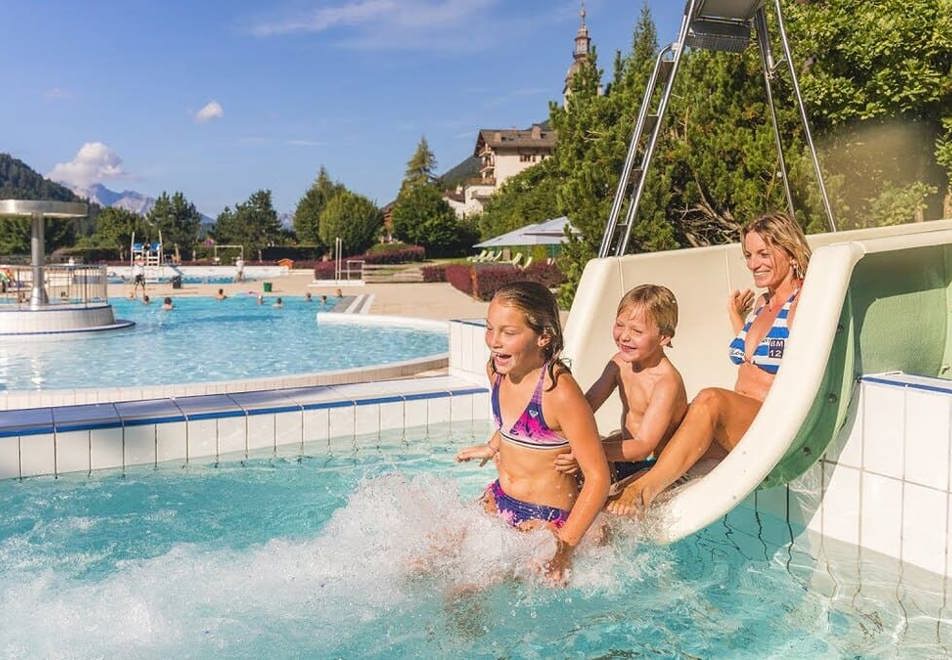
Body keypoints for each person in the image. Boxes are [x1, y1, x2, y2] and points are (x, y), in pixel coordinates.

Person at [609, 211, 810, 515]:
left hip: (769, 423)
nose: (753, 264)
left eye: (763, 254)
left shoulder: (804, 302)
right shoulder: (762, 304)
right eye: (748, 255)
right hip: (736, 424)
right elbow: (756, 356)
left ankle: (645, 490)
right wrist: (736, 317)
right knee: (666, 435)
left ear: (791, 251)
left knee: (711, 399)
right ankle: (628, 493)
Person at [456, 281, 610, 583]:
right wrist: (492, 446)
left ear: (544, 336)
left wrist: (565, 547)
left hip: (545, 520)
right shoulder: (498, 372)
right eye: (490, 328)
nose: (494, 341)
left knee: (466, 591)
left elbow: (598, 477)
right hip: (499, 500)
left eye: (508, 333)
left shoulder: (559, 392)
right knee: (422, 564)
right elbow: (513, 426)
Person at [554, 285, 687, 485]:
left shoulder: (666, 383)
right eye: (620, 325)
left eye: (637, 331)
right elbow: (586, 406)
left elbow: (644, 445)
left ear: (664, 337)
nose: (624, 336)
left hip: (656, 463)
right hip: (625, 453)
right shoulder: (619, 363)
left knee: (610, 502)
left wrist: (588, 452)